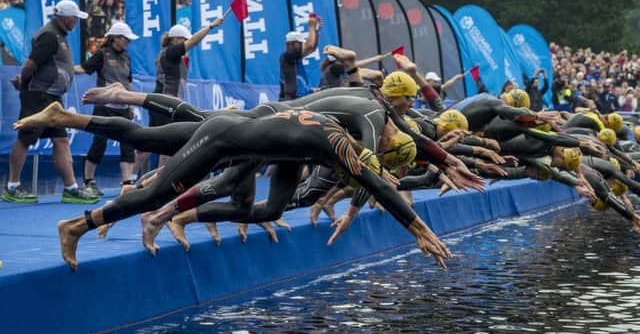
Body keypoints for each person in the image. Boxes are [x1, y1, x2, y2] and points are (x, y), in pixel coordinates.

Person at [14, 103, 453, 271]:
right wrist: (418, 230)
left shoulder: (329, 131)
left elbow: (293, 160)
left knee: (148, 138)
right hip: (225, 140)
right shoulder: (338, 145)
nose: (349, 174)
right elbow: (372, 180)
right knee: (154, 196)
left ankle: (64, 117)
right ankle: (76, 226)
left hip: (236, 134)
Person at [2, 0, 97, 204]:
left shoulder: (59, 35)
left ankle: (71, 188)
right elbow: (30, 64)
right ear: (64, 18)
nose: (76, 22)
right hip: (39, 96)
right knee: (25, 138)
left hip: (51, 97)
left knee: (61, 140)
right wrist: (24, 82)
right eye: (74, 18)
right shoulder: (49, 36)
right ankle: (12, 186)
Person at [135, 17, 224, 170]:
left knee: (153, 144)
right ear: (175, 40)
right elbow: (194, 42)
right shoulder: (170, 52)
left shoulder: (174, 57)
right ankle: (150, 181)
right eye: (183, 40)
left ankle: (133, 179)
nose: (186, 43)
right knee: (163, 144)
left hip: (166, 104)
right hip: (164, 104)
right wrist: (210, 26)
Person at [74, 22, 138, 195]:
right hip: (104, 106)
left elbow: (128, 82)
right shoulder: (102, 54)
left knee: (128, 143)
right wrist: (65, 68)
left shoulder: (126, 57)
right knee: (99, 143)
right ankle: (89, 181)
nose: (128, 43)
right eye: (126, 39)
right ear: (115, 38)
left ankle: (127, 183)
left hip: (123, 107)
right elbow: (83, 68)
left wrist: (131, 104)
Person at [279, 15, 321, 100]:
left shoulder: (295, 56)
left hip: (300, 98)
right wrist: (311, 27)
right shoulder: (287, 56)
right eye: (300, 43)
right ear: (292, 44)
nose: (302, 45)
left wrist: (316, 31)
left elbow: (312, 49)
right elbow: (309, 46)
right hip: (292, 100)